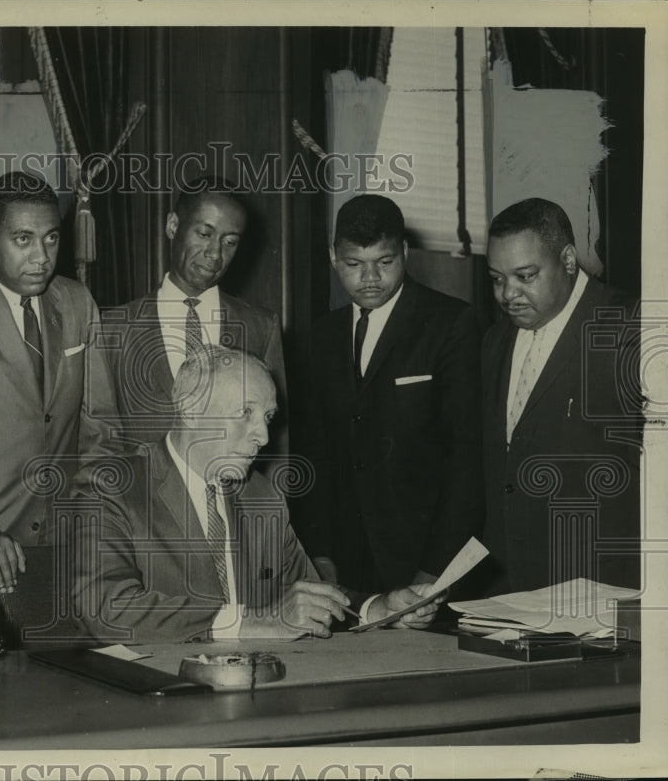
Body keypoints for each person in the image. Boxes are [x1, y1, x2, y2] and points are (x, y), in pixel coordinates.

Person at [71, 346, 444, 644]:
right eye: (244, 413)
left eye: (266, 417)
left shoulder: (260, 495)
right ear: (189, 409)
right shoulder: (111, 487)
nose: (263, 437)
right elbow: (106, 607)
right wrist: (255, 621)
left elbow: (306, 593)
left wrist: (377, 609)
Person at [0, 172, 120, 594]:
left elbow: (102, 427)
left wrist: (91, 520)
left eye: (51, 239)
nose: (41, 256)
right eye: (23, 240)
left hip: (68, 547)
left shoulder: (77, 302)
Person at [296, 194, 483, 595]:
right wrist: (321, 555)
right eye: (353, 265)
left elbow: (465, 460)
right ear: (333, 257)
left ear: (405, 251)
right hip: (343, 566)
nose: (369, 279)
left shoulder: (451, 323)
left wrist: (434, 570)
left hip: (425, 562)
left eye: (384, 263)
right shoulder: (320, 335)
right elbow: (313, 453)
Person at [479, 198, 641, 594]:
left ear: (568, 260)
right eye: (497, 278)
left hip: (602, 592)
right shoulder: (495, 340)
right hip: (509, 592)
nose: (507, 294)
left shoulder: (628, 328)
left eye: (525, 276)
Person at [100, 177, 288, 452]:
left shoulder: (261, 327)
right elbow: (100, 443)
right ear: (173, 225)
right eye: (204, 234)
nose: (215, 253)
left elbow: (276, 448)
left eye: (230, 242)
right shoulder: (113, 328)